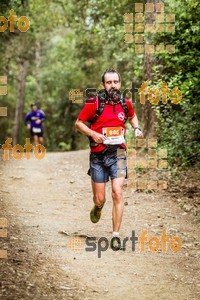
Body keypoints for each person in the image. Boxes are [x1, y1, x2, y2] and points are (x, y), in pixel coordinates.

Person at [75, 68, 143, 250]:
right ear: (103, 85)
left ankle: (115, 235)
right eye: (109, 82)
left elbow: (132, 116)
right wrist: (93, 134)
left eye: (115, 82)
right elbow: (78, 123)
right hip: (98, 156)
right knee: (100, 199)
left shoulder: (125, 103)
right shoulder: (94, 103)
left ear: (119, 83)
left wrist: (136, 128)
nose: (112, 85)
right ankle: (97, 207)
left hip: (118, 154)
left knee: (117, 192)